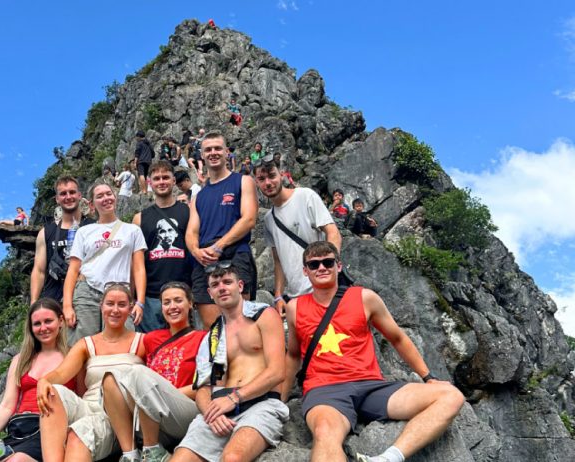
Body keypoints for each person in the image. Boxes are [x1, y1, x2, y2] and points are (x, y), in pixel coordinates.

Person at [283, 241, 466, 462]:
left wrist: (428, 377)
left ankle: (389, 458)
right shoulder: (295, 308)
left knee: (451, 396)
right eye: (314, 265)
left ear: (338, 266)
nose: (321, 268)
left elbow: (397, 338)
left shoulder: (363, 298)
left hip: (371, 387)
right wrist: (280, 400)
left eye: (328, 262)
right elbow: (293, 355)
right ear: (305, 271)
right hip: (325, 390)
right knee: (325, 432)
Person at [171, 265, 287, 462]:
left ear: (240, 285)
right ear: (210, 293)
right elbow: (203, 388)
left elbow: (277, 372)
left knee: (233, 458)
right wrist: (210, 412)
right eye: (215, 285)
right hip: (218, 410)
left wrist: (234, 398)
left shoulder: (264, 315)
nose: (222, 288)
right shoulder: (212, 337)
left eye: (227, 282)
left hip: (261, 403)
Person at [37, 284, 147, 462]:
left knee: (78, 435)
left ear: (130, 307)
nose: (115, 310)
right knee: (51, 392)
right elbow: (61, 373)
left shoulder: (142, 342)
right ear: (101, 306)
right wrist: (44, 380)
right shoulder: (86, 344)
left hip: (117, 416)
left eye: (122, 304)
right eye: (110, 304)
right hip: (88, 407)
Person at [102, 282, 207, 462]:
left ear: (190, 303)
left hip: (185, 411)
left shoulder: (203, 338)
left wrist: (157, 393)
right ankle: (130, 454)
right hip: (152, 415)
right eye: (166, 302)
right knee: (111, 379)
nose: (172, 307)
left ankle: (152, 451)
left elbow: (208, 385)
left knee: (139, 373)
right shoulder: (151, 339)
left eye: (178, 301)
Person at [0, 298, 72, 462]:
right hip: (18, 429)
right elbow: (8, 404)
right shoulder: (21, 360)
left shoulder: (72, 357)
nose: (43, 328)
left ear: (61, 321)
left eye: (48, 321)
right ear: (31, 327)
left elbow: (80, 400)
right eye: (37, 323)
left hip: (50, 430)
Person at [186, 131, 258, 329]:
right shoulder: (199, 196)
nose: (213, 153)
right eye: (208, 149)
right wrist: (196, 251)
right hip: (204, 260)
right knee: (212, 327)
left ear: (227, 153)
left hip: (235, 254)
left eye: (218, 148)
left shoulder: (243, 181)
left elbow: (249, 218)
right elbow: (192, 232)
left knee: (240, 323)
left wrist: (219, 246)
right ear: (202, 155)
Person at [61, 181, 147, 346]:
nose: (106, 198)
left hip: (120, 293)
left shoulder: (132, 230)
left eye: (109, 194)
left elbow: (138, 268)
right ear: (92, 205)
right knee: (82, 345)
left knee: (123, 345)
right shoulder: (84, 232)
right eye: (100, 196)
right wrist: (67, 306)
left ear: (115, 197)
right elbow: (73, 270)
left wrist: (139, 302)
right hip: (87, 292)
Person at [253, 157, 341, 314]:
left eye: (272, 176)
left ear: (282, 175)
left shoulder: (305, 196)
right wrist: (278, 296)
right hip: (296, 297)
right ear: (257, 183)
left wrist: (329, 269)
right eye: (261, 179)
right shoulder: (269, 220)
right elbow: (278, 260)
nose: (268, 183)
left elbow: (332, 233)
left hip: (322, 289)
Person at [132, 161, 192, 332]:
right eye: (156, 178)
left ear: (174, 181)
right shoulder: (140, 219)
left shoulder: (188, 212)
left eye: (166, 177)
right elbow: (136, 262)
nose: (161, 182)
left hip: (183, 292)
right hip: (151, 296)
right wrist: (135, 297)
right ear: (149, 183)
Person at [31, 176, 94, 304]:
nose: (68, 197)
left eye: (72, 192)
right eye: (63, 194)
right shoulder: (46, 232)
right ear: (57, 199)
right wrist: (33, 302)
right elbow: (39, 270)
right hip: (54, 300)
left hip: (87, 300)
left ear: (79, 195)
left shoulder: (94, 227)